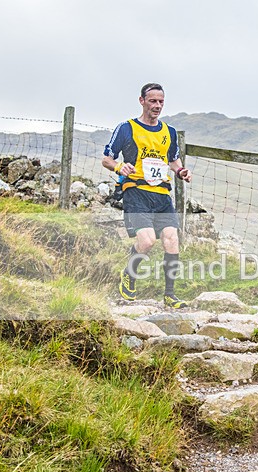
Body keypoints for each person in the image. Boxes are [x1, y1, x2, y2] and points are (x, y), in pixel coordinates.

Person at [102, 83, 192, 309]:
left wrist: (180, 171)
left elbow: (173, 160)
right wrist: (119, 167)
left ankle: (170, 295)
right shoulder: (126, 128)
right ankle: (129, 275)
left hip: (161, 194)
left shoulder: (169, 132)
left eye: (161, 101)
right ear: (141, 101)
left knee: (172, 240)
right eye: (152, 101)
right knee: (147, 240)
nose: (157, 106)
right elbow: (107, 159)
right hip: (136, 192)